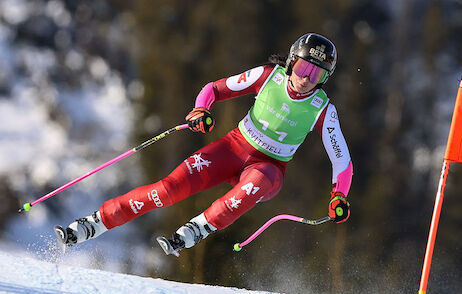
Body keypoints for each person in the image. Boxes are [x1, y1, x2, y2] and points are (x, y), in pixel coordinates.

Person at [54, 33, 353, 256]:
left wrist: (339, 195)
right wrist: (202, 109)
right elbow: (214, 89)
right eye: (302, 68)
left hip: (269, 167)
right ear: (290, 62)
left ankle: (200, 227)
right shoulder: (267, 77)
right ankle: (94, 223)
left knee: (258, 181)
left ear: (325, 79)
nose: (306, 79)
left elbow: (342, 161)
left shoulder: (322, 109)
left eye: (316, 74)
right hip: (233, 147)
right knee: (167, 190)